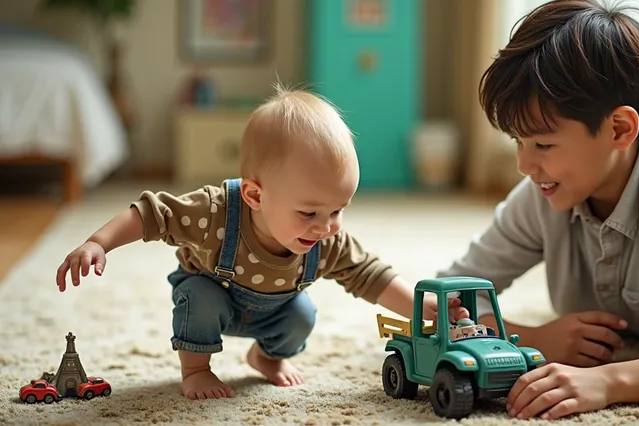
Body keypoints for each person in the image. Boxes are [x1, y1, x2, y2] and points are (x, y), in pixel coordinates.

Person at [56, 85, 468, 400]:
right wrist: (99, 243)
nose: (327, 226)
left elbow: (369, 275)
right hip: (213, 298)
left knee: (304, 313)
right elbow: (152, 213)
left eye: (339, 209)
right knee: (199, 297)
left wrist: (421, 308)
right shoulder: (215, 212)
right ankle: (195, 368)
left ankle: (266, 357)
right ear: (255, 195)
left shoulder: (326, 238)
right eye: (309, 213)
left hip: (274, 311)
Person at [437, 0, 639, 420]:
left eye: (542, 144)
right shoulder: (540, 194)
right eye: (516, 141)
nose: (524, 165)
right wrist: (530, 337)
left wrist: (609, 381)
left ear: (619, 129)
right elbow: (446, 298)